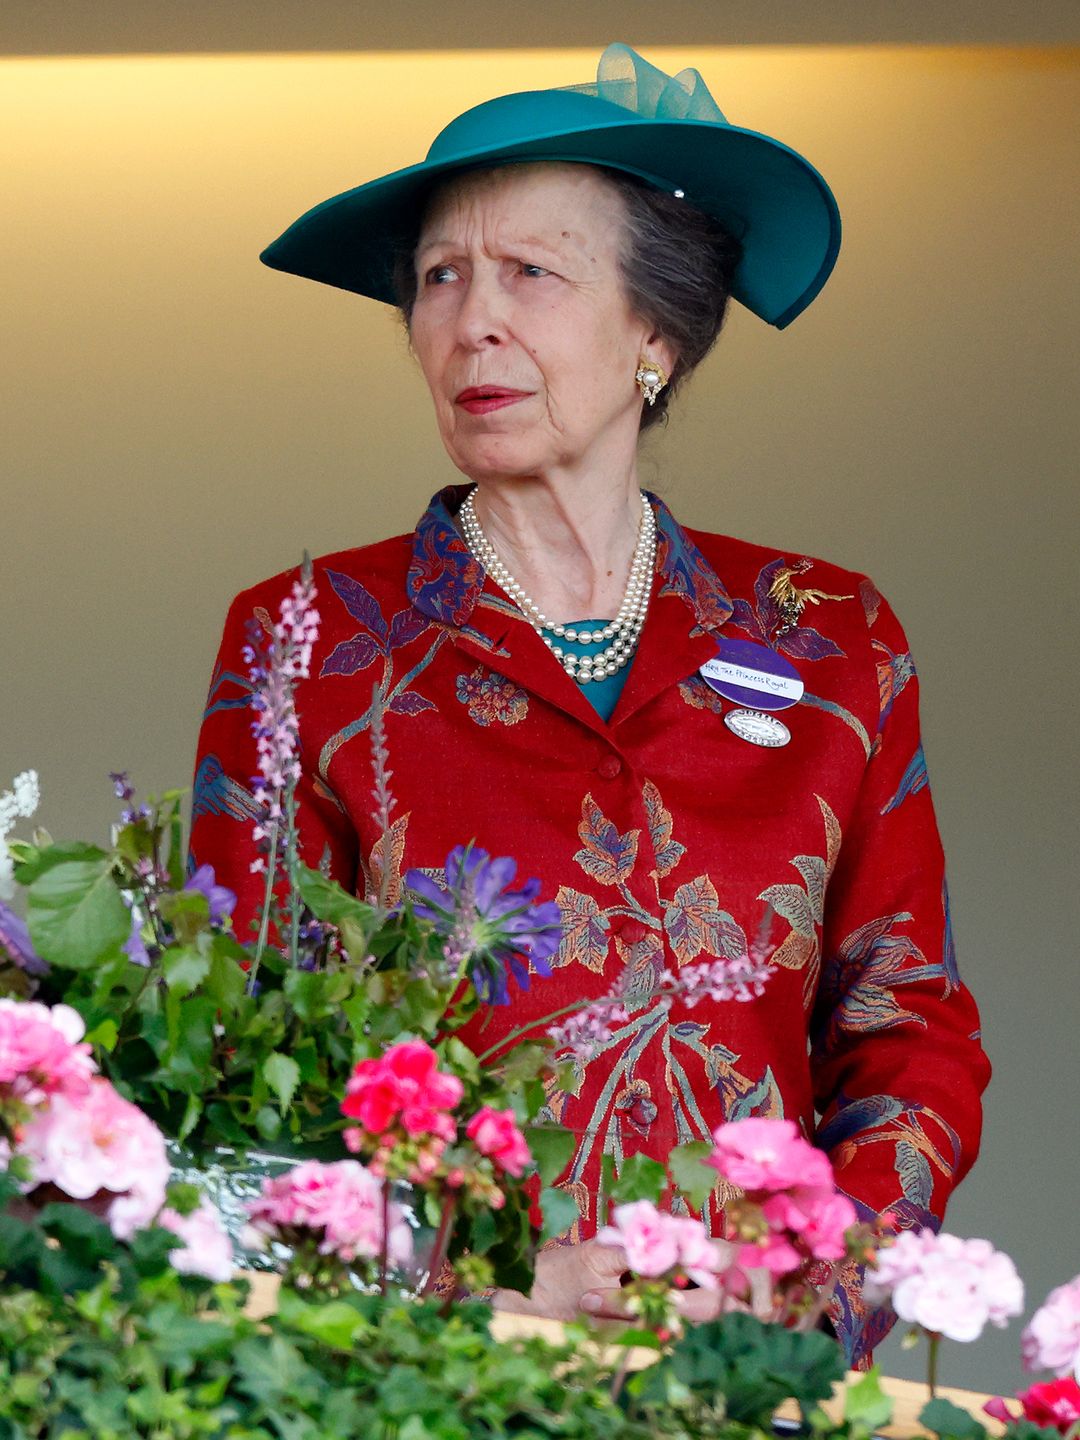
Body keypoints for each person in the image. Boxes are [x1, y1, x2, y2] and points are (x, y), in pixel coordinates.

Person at [189, 44, 990, 1360]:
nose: (470, 322)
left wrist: (816, 1284)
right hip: (437, 1375)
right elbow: (241, 1059)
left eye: (531, 274)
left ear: (654, 336)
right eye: (439, 277)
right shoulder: (308, 638)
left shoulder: (834, 637)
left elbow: (907, 1027)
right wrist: (482, 1293)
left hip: (742, 1376)